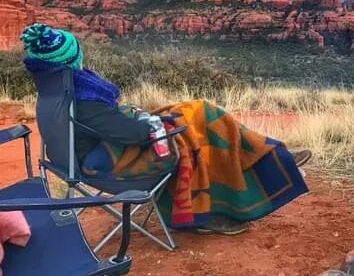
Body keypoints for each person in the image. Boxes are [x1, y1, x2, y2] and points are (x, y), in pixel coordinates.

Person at [20, 23, 311, 235]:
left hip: (100, 151)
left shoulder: (58, 93)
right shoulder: (84, 102)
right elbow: (134, 134)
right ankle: (214, 209)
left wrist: (140, 117)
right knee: (194, 134)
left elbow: (115, 125)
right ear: (72, 61)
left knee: (199, 109)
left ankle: (265, 152)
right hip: (110, 162)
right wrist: (148, 121)